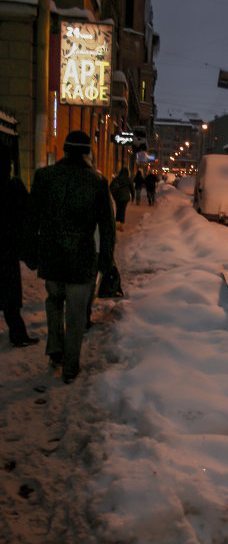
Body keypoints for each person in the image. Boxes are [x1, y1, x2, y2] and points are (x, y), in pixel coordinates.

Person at [25, 130, 115, 383]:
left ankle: (55, 349)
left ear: (64, 150)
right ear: (87, 152)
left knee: (53, 301)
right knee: (76, 314)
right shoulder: (97, 183)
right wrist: (105, 259)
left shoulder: (45, 177)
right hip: (82, 258)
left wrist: (31, 252)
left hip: (52, 255)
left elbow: (31, 219)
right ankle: (70, 366)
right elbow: (107, 227)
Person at [0, 144, 39, 348]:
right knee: (10, 297)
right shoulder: (14, 187)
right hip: (7, 251)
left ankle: (18, 333)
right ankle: (17, 334)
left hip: (8, 249)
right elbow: (28, 216)